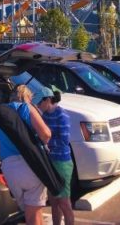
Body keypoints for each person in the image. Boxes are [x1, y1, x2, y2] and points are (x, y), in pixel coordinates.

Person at [0, 84, 52, 225]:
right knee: (35, 214)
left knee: (29, 213)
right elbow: (46, 134)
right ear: (28, 97)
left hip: (10, 169)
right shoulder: (26, 108)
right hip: (31, 165)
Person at [37, 86, 75, 225]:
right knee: (53, 202)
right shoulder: (44, 115)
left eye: (39, 102)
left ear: (48, 100)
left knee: (64, 203)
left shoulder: (62, 115)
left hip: (62, 162)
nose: (38, 106)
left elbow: (64, 140)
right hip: (50, 161)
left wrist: (46, 141)